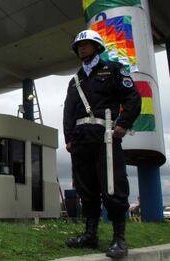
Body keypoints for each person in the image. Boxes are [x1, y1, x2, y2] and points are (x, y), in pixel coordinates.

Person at [63, 29, 141, 259]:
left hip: (106, 137)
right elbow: (68, 112)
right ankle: (90, 235)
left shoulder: (114, 70)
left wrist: (123, 123)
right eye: (78, 46)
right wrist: (68, 139)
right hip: (80, 140)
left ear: (97, 46)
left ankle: (119, 239)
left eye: (86, 44)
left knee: (113, 185)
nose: (82, 48)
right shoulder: (75, 80)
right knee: (86, 189)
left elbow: (133, 98)